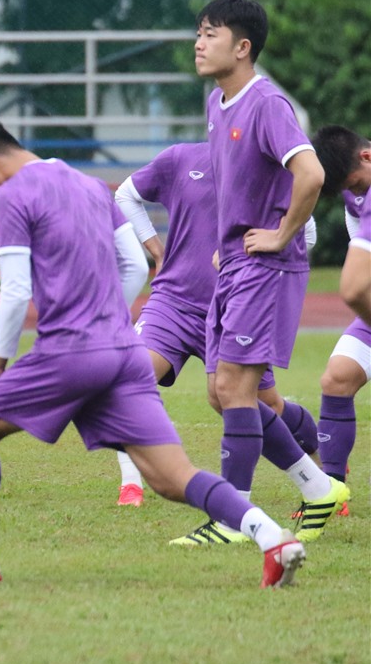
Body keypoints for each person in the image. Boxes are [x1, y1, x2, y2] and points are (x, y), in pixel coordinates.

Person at [0, 118, 305, 588]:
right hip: (125, 351)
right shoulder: (89, 185)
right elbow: (131, 262)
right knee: (172, 477)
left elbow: (16, 288)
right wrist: (111, 320)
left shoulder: (12, 194)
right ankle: (273, 538)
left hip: (70, 350)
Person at [171, 0, 348, 545]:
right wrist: (227, 240)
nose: (199, 43)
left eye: (210, 34)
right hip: (235, 264)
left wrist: (280, 234)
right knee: (222, 394)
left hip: (265, 268)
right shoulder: (217, 101)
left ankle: (234, 518)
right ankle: (317, 487)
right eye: (198, 33)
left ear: (242, 47)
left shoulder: (266, 103)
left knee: (236, 388)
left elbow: (311, 173)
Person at [112, 141, 320, 512]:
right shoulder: (181, 158)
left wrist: (256, 261)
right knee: (128, 378)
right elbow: (126, 195)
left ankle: (320, 477)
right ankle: (132, 484)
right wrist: (158, 252)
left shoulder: (273, 174)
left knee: (261, 404)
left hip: (236, 309)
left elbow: (306, 233)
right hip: (172, 303)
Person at [311, 126, 371, 496]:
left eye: (356, 184)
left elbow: (352, 287)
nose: (354, 193)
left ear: (367, 156)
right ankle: (332, 491)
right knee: (337, 378)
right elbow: (356, 217)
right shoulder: (356, 192)